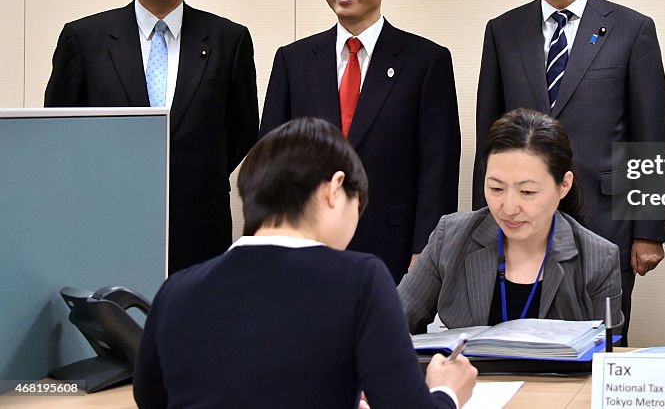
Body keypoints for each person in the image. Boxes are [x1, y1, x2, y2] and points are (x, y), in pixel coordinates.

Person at [133, 117, 477, 408]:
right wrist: (447, 391)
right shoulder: (360, 280)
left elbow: (149, 397)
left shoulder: (175, 290)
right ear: (335, 188)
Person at [474, 0, 665, 338]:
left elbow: (649, 138)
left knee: (598, 344)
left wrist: (649, 230)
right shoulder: (503, 32)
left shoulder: (632, 29)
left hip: (606, 219)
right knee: (518, 341)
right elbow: (490, 140)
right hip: (518, 220)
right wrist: (481, 226)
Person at [44, 0, 258, 273]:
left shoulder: (228, 40)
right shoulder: (84, 38)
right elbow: (61, 130)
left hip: (198, 222)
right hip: (105, 215)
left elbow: (243, 129)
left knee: (192, 322)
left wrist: (195, 173)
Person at [260, 0, 460, 283]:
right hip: (306, 243)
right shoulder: (294, 60)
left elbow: (438, 165)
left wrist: (426, 250)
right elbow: (270, 159)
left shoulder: (426, 61)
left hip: (394, 248)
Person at [401, 108, 622, 333]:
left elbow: (606, 357)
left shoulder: (597, 260)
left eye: (526, 192)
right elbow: (390, 324)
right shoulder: (450, 238)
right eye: (496, 188)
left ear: (563, 185)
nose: (508, 208)